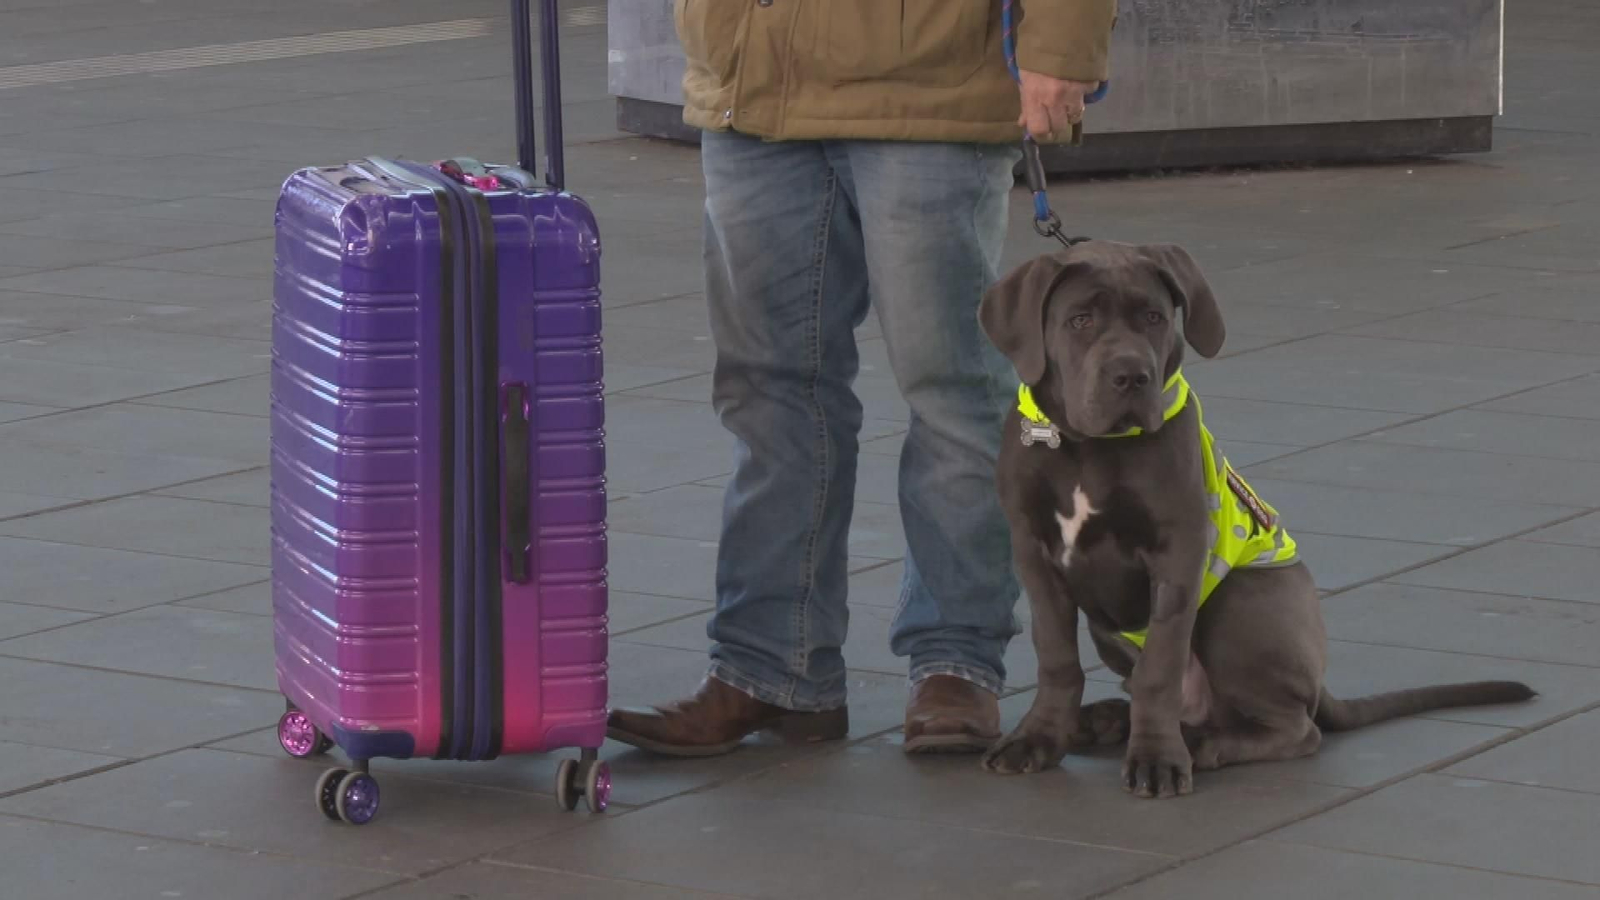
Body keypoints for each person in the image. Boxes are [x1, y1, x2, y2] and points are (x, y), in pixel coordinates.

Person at [607, 1, 1115, 756]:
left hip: (928, 82)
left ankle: (956, 660)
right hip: (749, 82)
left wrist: (1062, 44)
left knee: (950, 393)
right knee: (766, 392)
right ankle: (770, 670)